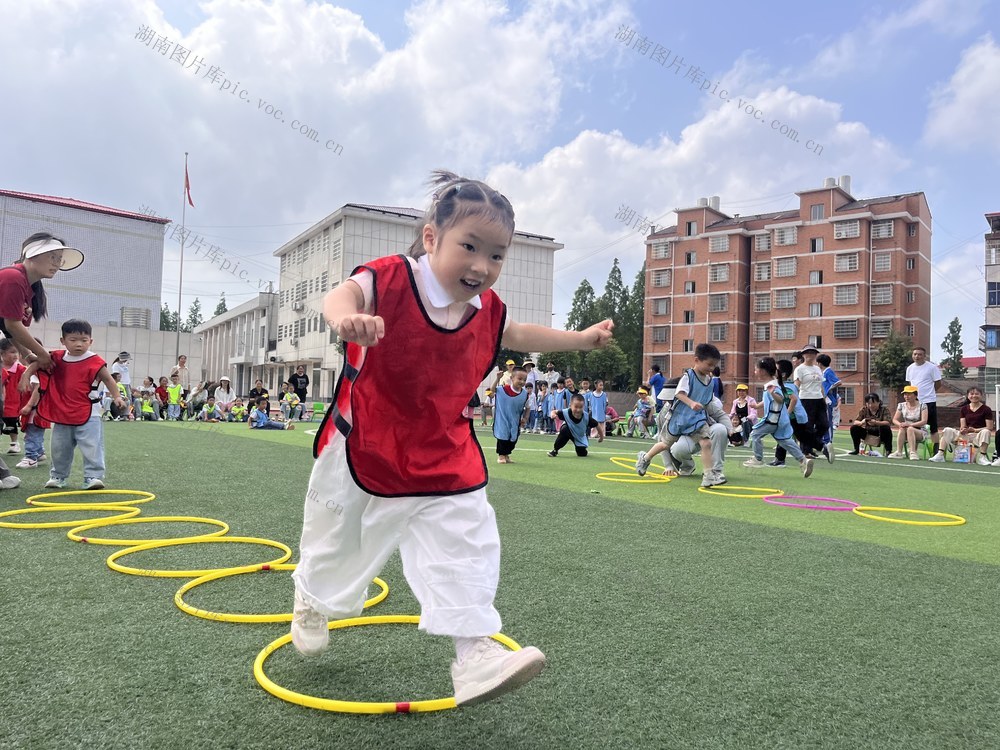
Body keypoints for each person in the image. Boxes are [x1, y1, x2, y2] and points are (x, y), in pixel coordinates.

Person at [290, 170, 613, 708]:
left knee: (468, 542)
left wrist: (580, 339)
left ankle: (475, 655)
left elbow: (521, 333)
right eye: (470, 246)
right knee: (336, 544)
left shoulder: (488, 311)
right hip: (364, 445)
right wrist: (347, 319)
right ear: (433, 238)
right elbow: (338, 294)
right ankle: (310, 599)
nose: (482, 266)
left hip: (443, 451)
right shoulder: (389, 279)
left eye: (497, 255)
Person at [22, 319, 125, 490]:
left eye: (84, 340)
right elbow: (37, 363)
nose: (79, 344)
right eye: (73, 340)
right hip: (62, 414)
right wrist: (26, 376)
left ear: (90, 341)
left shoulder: (95, 360)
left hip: (89, 413)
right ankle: (58, 477)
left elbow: (108, 379)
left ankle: (93, 477)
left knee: (92, 446)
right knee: (59, 447)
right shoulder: (56, 357)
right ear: (63, 341)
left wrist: (117, 397)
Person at [636, 343, 723, 487]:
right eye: (709, 364)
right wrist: (691, 403)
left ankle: (709, 476)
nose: (711, 369)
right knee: (665, 444)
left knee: (706, 442)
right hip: (679, 418)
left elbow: (706, 401)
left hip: (696, 419)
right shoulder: (688, 376)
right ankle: (645, 458)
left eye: (714, 366)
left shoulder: (709, 381)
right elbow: (679, 394)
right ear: (697, 360)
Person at [0, 232, 84, 371]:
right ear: (32, 255)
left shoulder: (29, 288)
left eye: (59, 259)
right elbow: (12, 325)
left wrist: (28, 355)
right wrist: (41, 353)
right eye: (52, 257)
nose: (56, 264)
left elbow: (7, 327)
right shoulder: (13, 277)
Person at [743, 357, 814, 478]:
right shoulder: (773, 384)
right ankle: (803, 460)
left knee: (755, 434)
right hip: (781, 420)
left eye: (756, 369)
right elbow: (771, 401)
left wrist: (773, 393)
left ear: (763, 371)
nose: (754, 372)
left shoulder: (772, 386)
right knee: (785, 441)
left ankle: (758, 459)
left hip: (773, 419)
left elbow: (780, 400)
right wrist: (757, 405)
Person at [772, 359, 826, 467]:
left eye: (775, 369)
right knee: (790, 436)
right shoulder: (783, 385)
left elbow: (793, 399)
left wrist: (787, 414)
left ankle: (821, 448)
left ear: (782, 374)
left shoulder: (785, 386)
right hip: (793, 417)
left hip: (793, 417)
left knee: (794, 436)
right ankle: (780, 459)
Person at [793, 345, 831, 461]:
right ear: (803, 355)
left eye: (813, 353)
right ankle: (806, 450)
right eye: (807, 352)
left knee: (824, 425)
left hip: (819, 399)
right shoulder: (800, 369)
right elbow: (796, 385)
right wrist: (794, 400)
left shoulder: (817, 369)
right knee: (808, 426)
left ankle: (813, 443)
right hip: (806, 399)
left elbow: (821, 385)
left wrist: (824, 398)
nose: (810, 355)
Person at [939, 387, 995, 465]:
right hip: (965, 435)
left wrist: (975, 430)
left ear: (981, 395)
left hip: (978, 435)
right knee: (947, 430)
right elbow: (963, 426)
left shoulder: (986, 409)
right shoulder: (964, 409)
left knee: (986, 431)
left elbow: (989, 427)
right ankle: (940, 454)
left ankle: (982, 457)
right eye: (971, 394)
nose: (974, 396)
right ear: (968, 396)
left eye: (976, 394)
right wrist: (963, 430)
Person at [906, 347, 944, 460]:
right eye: (915, 354)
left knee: (932, 427)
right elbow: (910, 383)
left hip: (929, 401)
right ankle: (913, 451)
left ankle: (936, 452)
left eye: (920, 354)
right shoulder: (910, 368)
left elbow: (938, 383)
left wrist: (929, 393)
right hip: (915, 402)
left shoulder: (931, 367)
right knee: (914, 425)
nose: (917, 356)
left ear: (925, 355)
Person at [493, 366, 529, 463]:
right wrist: (497, 379)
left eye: (524, 379)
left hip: (515, 420)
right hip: (503, 419)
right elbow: (492, 392)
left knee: (513, 439)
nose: (522, 381)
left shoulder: (525, 394)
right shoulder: (503, 390)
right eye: (519, 379)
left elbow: (528, 407)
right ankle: (501, 456)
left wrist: (525, 418)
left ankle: (506, 455)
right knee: (503, 437)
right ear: (512, 378)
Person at [17, 366, 49, 468]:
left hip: (36, 410)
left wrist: (29, 405)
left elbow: (38, 389)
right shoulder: (38, 371)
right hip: (40, 410)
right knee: (36, 433)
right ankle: (39, 452)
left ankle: (31, 458)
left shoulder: (36, 372)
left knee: (32, 434)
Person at [1, 339, 27, 453]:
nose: (16, 355)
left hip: (13, 402)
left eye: (17, 352)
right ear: (2, 353)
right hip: (1, 401)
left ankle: (14, 443)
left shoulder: (21, 369)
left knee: (12, 423)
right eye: (12, 352)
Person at [888, 386, 927, 459]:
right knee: (902, 429)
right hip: (906, 429)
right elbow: (894, 419)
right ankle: (899, 452)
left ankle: (913, 452)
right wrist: (900, 424)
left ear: (915, 395)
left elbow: (924, 421)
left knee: (910, 429)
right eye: (905, 394)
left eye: (909, 394)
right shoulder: (901, 405)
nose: (906, 396)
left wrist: (910, 425)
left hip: (920, 431)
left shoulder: (923, 405)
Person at [817, 353, 842, 444]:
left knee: (827, 420)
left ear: (820, 363)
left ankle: (828, 440)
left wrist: (828, 389)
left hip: (828, 399)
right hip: (823, 399)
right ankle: (824, 439)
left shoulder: (828, 371)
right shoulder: (823, 373)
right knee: (822, 420)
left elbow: (838, 382)